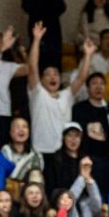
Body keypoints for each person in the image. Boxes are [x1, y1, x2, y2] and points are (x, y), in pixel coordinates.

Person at [26, 22, 93, 157]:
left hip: (62, 152)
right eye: (48, 74)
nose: (53, 77)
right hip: (40, 151)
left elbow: (81, 78)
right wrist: (37, 40)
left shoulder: (66, 95)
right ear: (42, 79)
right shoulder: (38, 93)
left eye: (56, 74)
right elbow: (32, 68)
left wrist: (88, 55)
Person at [20, 0, 66, 71]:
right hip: (38, 40)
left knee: (55, 69)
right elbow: (28, 7)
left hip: (54, 39)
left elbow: (62, 8)